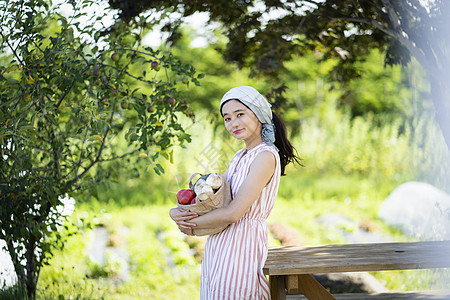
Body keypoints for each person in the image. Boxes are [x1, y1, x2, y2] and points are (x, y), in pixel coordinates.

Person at [169, 86, 302, 299]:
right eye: (227, 118)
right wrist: (177, 212)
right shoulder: (240, 155)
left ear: (258, 113)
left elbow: (233, 213)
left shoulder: (265, 156)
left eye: (240, 114)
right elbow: (217, 201)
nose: (234, 123)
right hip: (219, 245)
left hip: (242, 249)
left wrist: (188, 225)